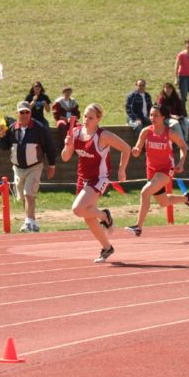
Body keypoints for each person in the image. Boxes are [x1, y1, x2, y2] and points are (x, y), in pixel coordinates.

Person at [61, 103, 131, 264]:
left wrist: (122, 170)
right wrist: (68, 145)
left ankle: (104, 215)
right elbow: (65, 157)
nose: (86, 119)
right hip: (82, 178)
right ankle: (107, 247)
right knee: (88, 216)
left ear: (98, 119)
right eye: (85, 116)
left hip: (99, 178)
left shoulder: (103, 135)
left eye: (90, 117)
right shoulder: (76, 132)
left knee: (78, 209)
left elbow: (126, 148)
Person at [125, 105, 189, 237]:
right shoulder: (146, 131)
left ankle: (138, 227)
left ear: (163, 117)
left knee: (145, 192)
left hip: (166, 170)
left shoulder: (170, 133)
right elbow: (137, 150)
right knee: (163, 202)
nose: (152, 118)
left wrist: (181, 162)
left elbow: (183, 147)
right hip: (151, 171)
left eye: (156, 115)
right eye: (151, 115)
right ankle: (186, 198)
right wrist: (135, 151)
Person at [0, 101, 58, 233]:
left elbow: (50, 147)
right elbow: (3, 147)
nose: (24, 114)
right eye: (21, 112)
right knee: (23, 197)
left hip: (34, 166)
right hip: (18, 168)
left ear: (30, 113)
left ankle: (29, 222)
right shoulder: (13, 129)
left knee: (29, 194)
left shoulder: (40, 129)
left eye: (27, 112)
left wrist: (52, 165)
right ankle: (32, 222)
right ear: (17, 114)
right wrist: (1, 136)